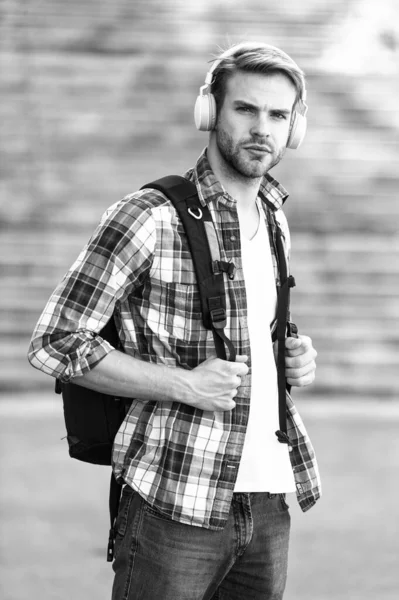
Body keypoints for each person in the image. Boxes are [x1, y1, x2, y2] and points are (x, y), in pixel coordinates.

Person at [28, 41, 321, 600]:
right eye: (245, 109)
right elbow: (57, 341)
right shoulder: (149, 216)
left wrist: (290, 356)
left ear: (294, 128)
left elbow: (254, 327)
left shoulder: (275, 218)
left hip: (267, 500)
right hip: (174, 499)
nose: (262, 128)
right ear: (209, 112)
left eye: (278, 115)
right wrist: (185, 385)